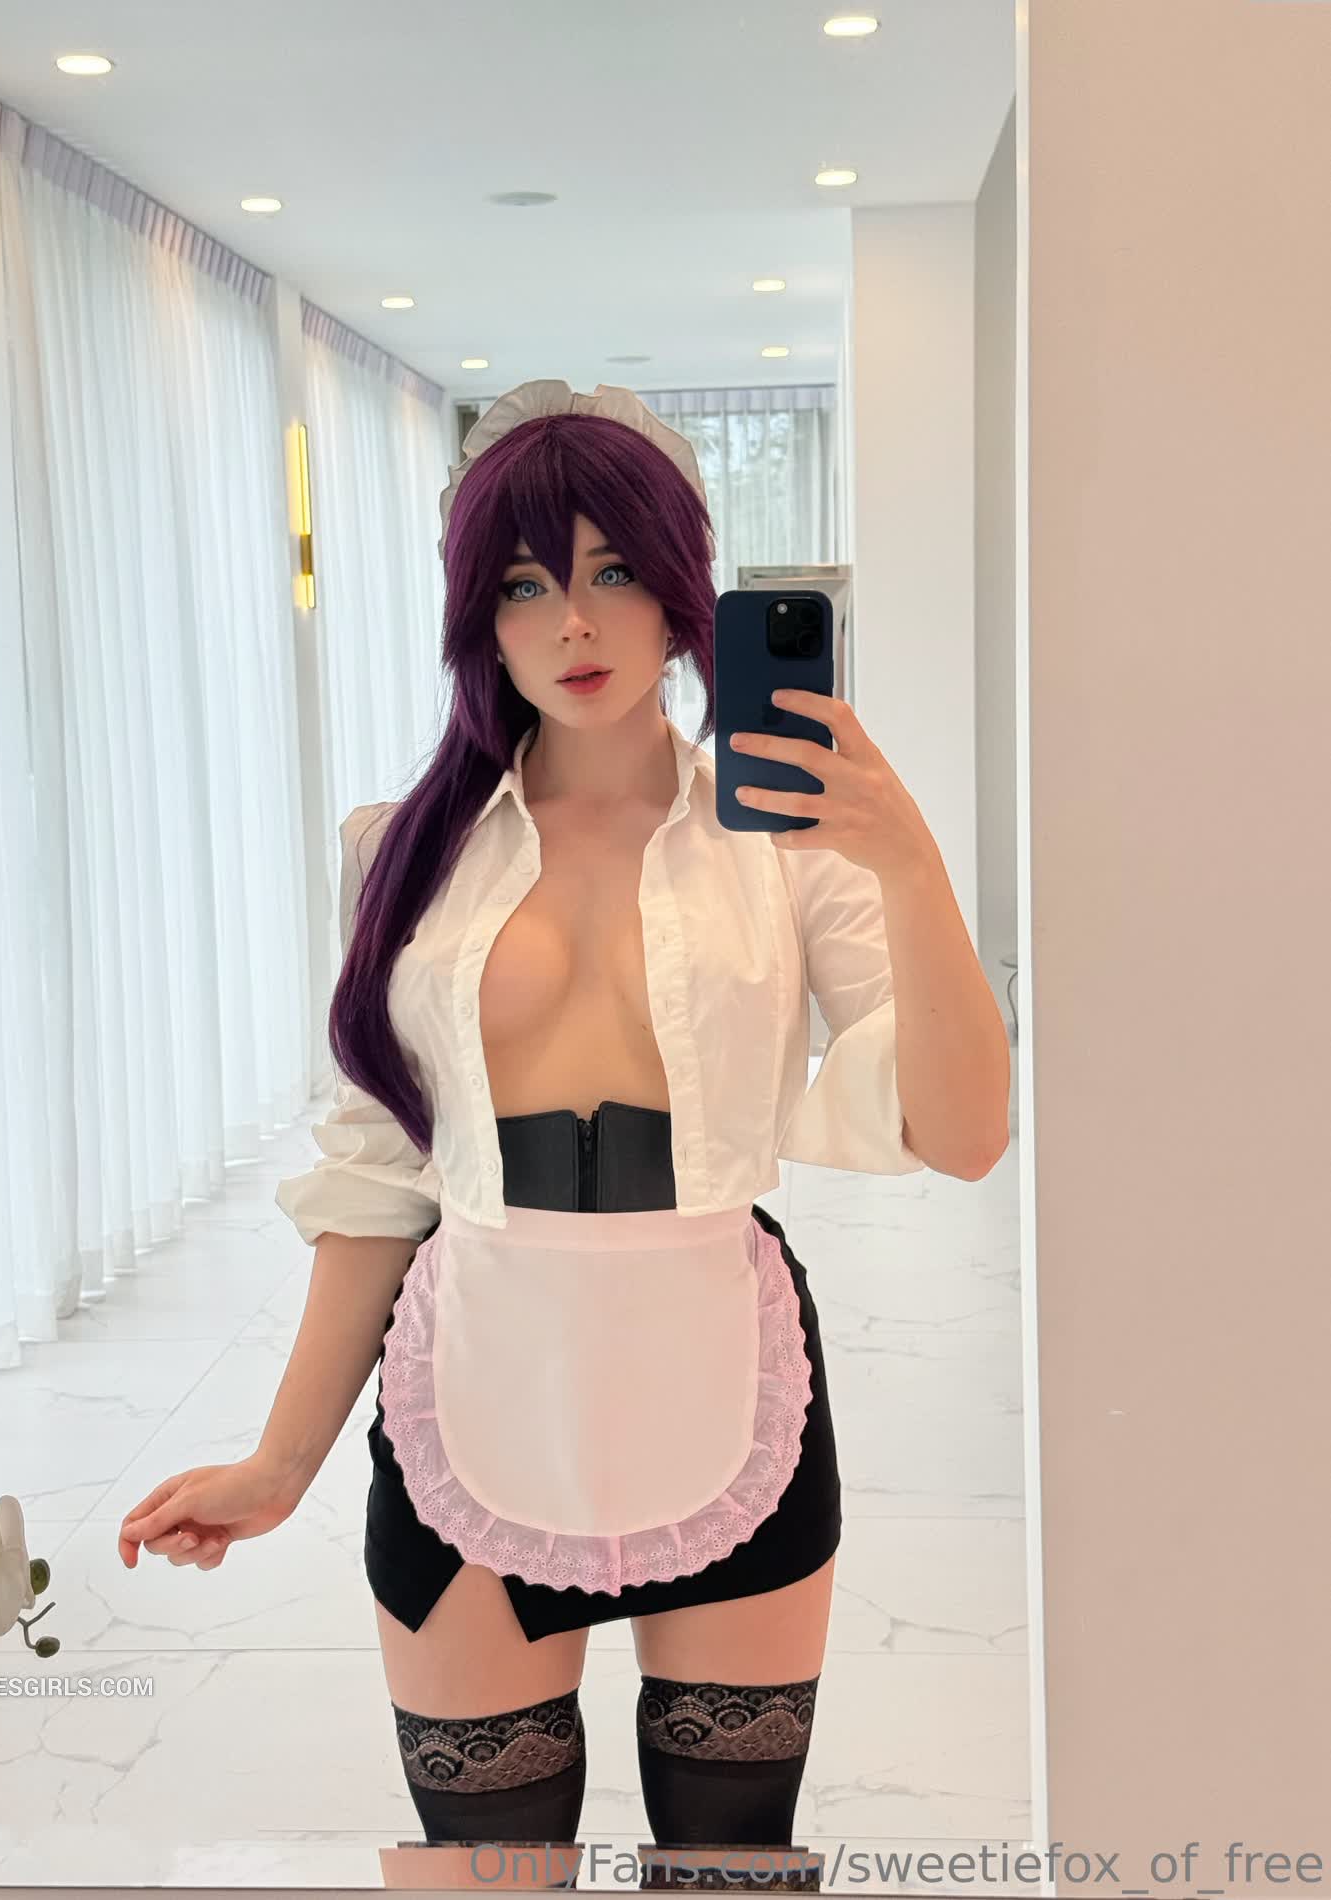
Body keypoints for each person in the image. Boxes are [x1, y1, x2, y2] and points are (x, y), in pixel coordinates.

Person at [116, 381, 970, 1890]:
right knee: (485, 1872)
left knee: (732, 1868)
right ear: (478, 622)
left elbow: (962, 1134)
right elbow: (377, 1179)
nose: (573, 621)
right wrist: (278, 1462)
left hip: (721, 1364)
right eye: (522, 584)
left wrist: (906, 862)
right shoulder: (403, 848)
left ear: (683, 587)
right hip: (478, 1365)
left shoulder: (786, 843)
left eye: (614, 569)